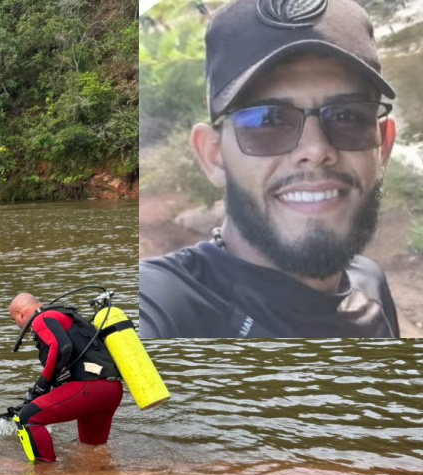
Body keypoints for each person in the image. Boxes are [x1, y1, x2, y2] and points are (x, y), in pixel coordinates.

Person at [139, 0, 400, 338]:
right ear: (213, 156)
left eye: (348, 115)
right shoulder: (163, 305)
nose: (316, 150)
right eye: (268, 120)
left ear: (383, 146)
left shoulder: (372, 284)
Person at [8, 293, 123, 462]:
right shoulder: (65, 316)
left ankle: (46, 474)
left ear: (21, 313)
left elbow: (61, 347)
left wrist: (43, 382)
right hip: (111, 389)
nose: (18, 326)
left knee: (28, 417)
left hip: (89, 389)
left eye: (14, 320)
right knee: (92, 449)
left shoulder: (42, 318)